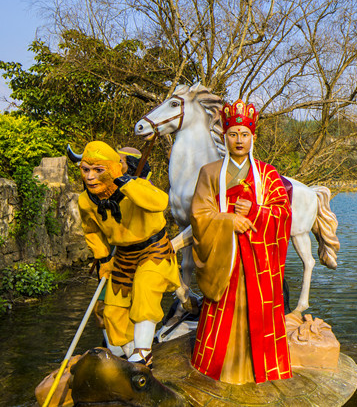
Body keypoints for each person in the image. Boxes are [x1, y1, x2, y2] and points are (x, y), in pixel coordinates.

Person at [189, 99, 293, 384]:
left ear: (253, 137)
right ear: (225, 136)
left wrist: (257, 213)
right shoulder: (210, 172)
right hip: (227, 258)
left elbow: (283, 214)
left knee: (258, 312)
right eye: (233, 134)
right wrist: (228, 221)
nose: (239, 140)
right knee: (224, 309)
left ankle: (262, 371)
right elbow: (199, 214)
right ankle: (220, 369)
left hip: (259, 263)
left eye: (244, 134)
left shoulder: (268, 174)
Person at [76, 141, 181, 366]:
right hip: (122, 256)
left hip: (154, 250)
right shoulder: (86, 201)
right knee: (112, 310)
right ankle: (131, 355)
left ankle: (143, 352)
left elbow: (160, 202)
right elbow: (91, 230)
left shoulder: (136, 186)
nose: (90, 177)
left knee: (145, 288)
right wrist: (103, 258)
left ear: (113, 168)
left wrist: (129, 185)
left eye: (97, 170)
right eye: (85, 170)